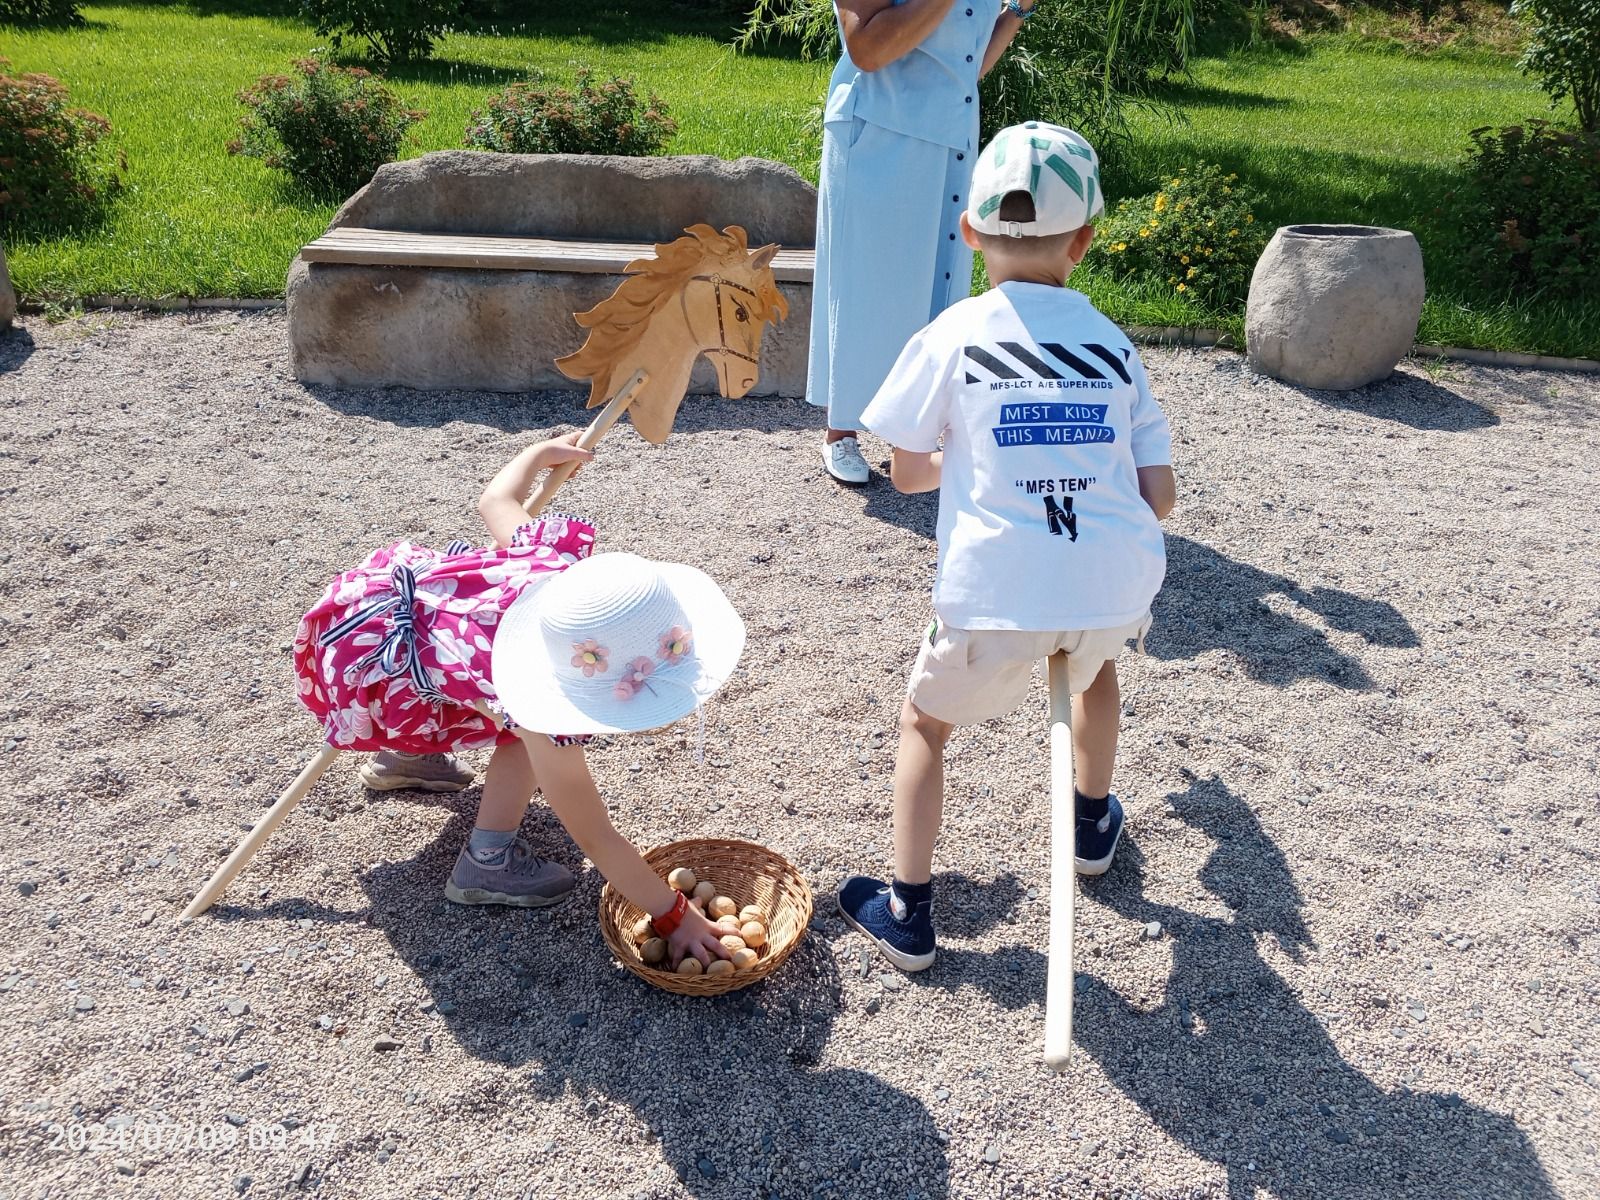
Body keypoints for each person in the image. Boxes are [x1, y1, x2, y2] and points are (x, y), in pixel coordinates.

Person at [835, 123, 1178, 971]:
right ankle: (1091, 823)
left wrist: (981, 460)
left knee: (925, 723)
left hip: (995, 590)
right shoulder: (1116, 348)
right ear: (1087, 241)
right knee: (1096, 669)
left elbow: (908, 473)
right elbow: (1159, 495)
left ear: (970, 232)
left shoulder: (952, 334)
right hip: (1115, 585)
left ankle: (909, 912)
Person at [292, 434, 744, 969]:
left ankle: (410, 758)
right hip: (379, 661)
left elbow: (494, 501)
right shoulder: (541, 717)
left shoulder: (548, 565)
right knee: (517, 734)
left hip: (394, 616)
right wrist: (674, 915)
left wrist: (535, 456)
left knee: (463, 688)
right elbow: (594, 833)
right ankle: (485, 862)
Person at [809, 0, 1037, 485]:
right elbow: (866, 49)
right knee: (866, 282)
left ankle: (911, 435)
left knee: (937, 289)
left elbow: (967, 63)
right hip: (879, 132)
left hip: (950, 131)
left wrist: (1017, 10)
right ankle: (840, 430)